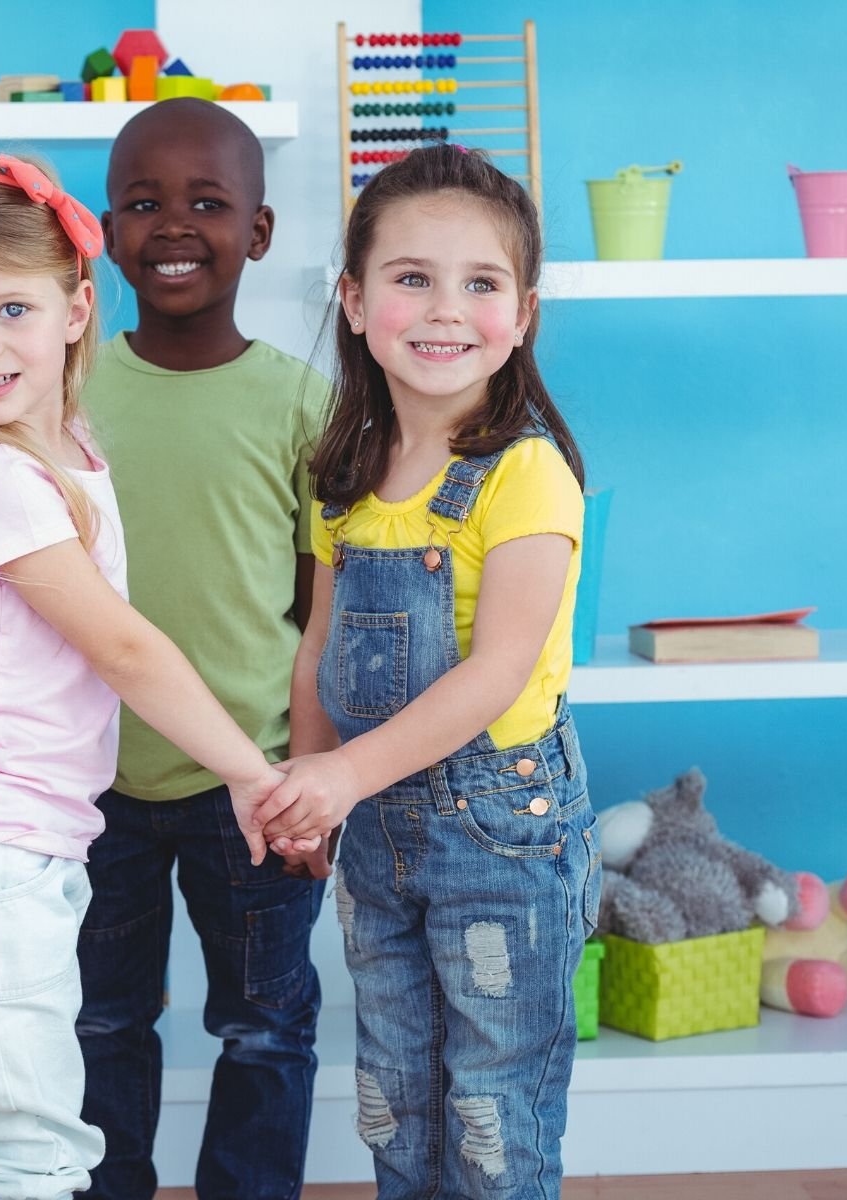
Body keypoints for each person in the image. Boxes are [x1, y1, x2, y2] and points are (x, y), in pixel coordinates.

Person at [0, 151, 316, 1200]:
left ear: (74, 309)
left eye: (11, 306)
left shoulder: (51, 450)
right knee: (23, 1164)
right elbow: (126, 648)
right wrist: (249, 770)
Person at [259, 145, 599, 1200]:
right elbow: (315, 646)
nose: (445, 309)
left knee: (492, 1107)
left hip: (502, 833)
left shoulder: (525, 472)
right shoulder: (344, 475)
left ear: (523, 312)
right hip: (376, 838)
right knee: (396, 1095)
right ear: (354, 301)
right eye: (411, 278)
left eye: (480, 283)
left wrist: (341, 777)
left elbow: (496, 670)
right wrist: (308, 787)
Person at [73, 96, 330, 1200]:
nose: (172, 225)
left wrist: (310, 777)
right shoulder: (59, 389)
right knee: (98, 1023)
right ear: (103, 231)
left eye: (207, 204)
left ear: (258, 235)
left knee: (264, 1030)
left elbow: (321, 610)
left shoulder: (302, 403)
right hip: (90, 786)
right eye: (142, 203)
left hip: (254, 784)